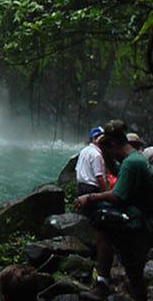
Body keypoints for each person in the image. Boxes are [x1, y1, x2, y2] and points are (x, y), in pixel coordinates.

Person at [75, 120, 153, 301]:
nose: (110, 155)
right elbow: (119, 171)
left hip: (140, 221)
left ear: (116, 144)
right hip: (140, 214)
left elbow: (118, 196)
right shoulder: (132, 159)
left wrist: (90, 197)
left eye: (110, 150)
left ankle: (104, 282)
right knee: (134, 273)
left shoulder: (132, 163)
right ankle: (105, 280)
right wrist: (107, 154)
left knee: (102, 220)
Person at [75, 126, 114, 298]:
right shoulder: (97, 154)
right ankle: (94, 258)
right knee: (99, 225)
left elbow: (77, 171)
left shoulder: (84, 151)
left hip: (80, 188)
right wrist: (107, 195)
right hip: (92, 189)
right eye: (99, 136)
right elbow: (99, 177)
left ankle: (83, 254)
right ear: (94, 139)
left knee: (86, 222)